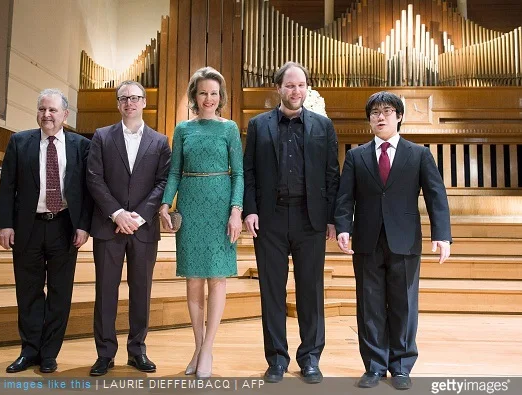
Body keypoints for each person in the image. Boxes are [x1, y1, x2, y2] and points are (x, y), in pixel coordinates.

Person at [335, 91, 452, 390]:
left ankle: (400, 366)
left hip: (405, 240)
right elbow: (345, 197)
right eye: (375, 112)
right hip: (367, 240)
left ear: (399, 116)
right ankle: (374, 366)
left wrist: (442, 235)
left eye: (387, 111)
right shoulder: (356, 155)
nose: (381, 117)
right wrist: (343, 227)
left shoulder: (419, 154)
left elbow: (436, 196)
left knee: (404, 305)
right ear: (369, 119)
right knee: (369, 305)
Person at [243, 62, 340, 384]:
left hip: (309, 220)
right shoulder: (258, 125)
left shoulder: (324, 127)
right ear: (278, 88)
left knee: (310, 292)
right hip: (269, 220)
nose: (295, 91)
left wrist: (331, 219)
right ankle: (276, 359)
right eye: (289, 85)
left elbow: (331, 175)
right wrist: (250, 210)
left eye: (301, 85)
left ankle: (310, 358)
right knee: (272, 292)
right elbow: (250, 172)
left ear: (306, 88)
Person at [0, 89, 93, 374]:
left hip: (64, 227)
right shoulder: (19, 142)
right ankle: (29, 351)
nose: (46, 115)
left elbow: (87, 191)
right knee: (28, 292)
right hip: (28, 227)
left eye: (52, 110)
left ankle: (50, 353)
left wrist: (83, 225)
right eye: (42, 109)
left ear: (65, 115)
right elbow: (6, 187)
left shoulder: (80, 145)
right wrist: (5, 224)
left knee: (60, 294)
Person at [159, 67, 243, 379]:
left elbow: (239, 173)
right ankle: (197, 346)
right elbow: (174, 172)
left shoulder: (230, 128)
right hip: (191, 204)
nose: (208, 98)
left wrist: (236, 210)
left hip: (221, 206)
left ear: (220, 97)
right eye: (203, 92)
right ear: (194, 96)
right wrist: (166, 202)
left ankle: (207, 348)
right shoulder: (182, 129)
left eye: (214, 93)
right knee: (193, 278)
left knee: (217, 279)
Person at [86, 81, 171, 376]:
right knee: (105, 292)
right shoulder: (101, 136)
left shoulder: (160, 142)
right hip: (109, 227)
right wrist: (117, 213)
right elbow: (94, 178)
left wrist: (139, 216)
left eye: (135, 98)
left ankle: (137, 351)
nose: (129, 103)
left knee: (141, 292)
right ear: (118, 104)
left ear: (145, 102)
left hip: (143, 229)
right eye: (124, 98)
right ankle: (105, 353)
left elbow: (163, 181)